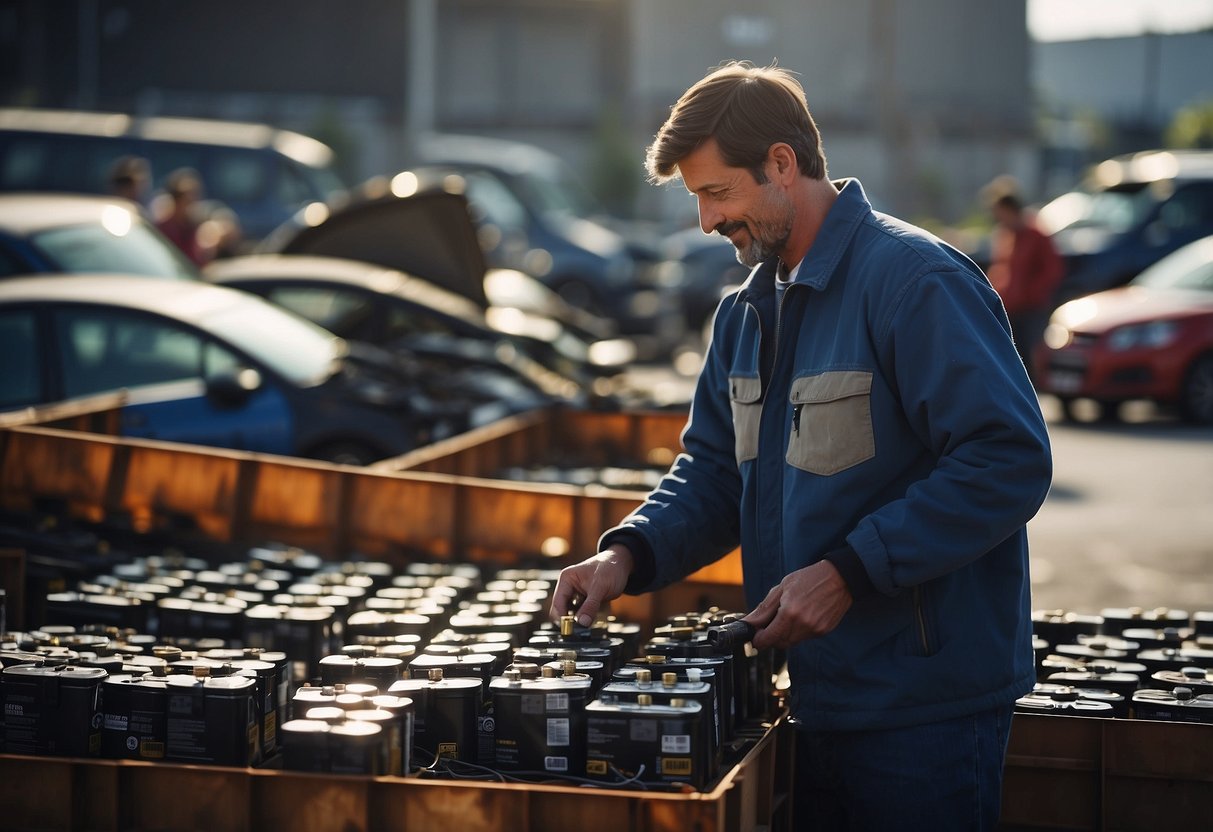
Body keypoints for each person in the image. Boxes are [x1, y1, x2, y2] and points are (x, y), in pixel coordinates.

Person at [549, 62, 1052, 831]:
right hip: (812, 696)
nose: (706, 223)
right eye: (696, 200)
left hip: (922, 712)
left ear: (781, 164)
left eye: (716, 193)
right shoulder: (742, 316)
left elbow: (1006, 460)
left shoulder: (914, 282)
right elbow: (714, 473)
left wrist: (850, 571)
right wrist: (626, 554)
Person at [984, 179, 1065, 384]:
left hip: (1031, 308)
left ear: (1011, 209)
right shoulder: (1005, 235)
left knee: (1030, 355)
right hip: (1010, 307)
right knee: (1010, 355)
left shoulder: (1035, 234)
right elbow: (1001, 268)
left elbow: (1052, 270)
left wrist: (1032, 294)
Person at [154, 167, 209, 266]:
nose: (192, 202)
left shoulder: (196, 228)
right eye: (188, 198)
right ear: (176, 200)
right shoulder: (163, 230)